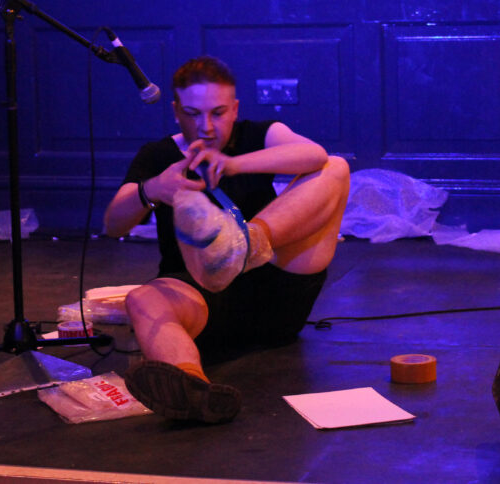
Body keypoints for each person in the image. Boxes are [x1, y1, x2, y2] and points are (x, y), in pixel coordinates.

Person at [103, 55, 350, 423]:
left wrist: (234, 163)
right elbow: (113, 225)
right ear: (175, 111)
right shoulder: (158, 155)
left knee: (336, 168)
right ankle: (190, 387)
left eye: (217, 113)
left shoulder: (258, 135)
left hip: (275, 283)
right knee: (142, 300)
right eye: (192, 113)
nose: (205, 126)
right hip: (203, 297)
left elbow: (314, 154)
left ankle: (245, 246)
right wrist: (153, 188)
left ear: (234, 109)